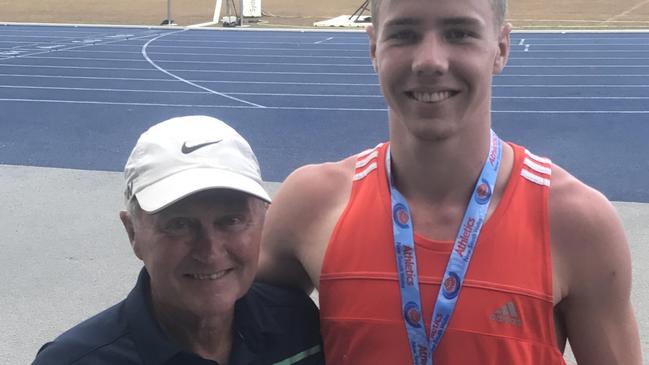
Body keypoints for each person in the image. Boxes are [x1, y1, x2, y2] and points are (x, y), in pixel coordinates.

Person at [258, 0, 642, 364]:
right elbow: (220, 327)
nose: (429, 61)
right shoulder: (311, 205)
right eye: (404, 34)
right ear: (374, 48)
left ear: (501, 48)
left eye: (459, 33)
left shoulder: (576, 222)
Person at [33, 115, 324, 365]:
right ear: (132, 232)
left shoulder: (298, 326)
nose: (210, 251)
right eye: (179, 224)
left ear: (262, 221)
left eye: (231, 220)